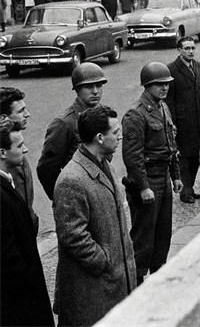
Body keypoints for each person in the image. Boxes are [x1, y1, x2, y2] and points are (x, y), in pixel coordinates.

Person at [54, 105, 137, 325]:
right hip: (93, 289)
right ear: (100, 137)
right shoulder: (72, 180)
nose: (120, 137)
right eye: (116, 132)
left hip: (114, 284)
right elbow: (73, 236)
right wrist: (104, 262)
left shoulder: (104, 165)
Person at [122, 63, 182, 284]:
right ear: (147, 85)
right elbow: (132, 156)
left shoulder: (162, 107)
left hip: (163, 176)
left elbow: (170, 144)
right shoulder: (135, 114)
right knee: (143, 237)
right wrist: (143, 187)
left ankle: (158, 278)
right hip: (147, 180)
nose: (164, 88)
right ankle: (136, 282)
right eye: (159, 84)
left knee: (162, 234)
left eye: (166, 84)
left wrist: (175, 175)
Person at [0, 126, 55, 326]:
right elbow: (6, 256)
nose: (25, 150)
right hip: (19, 302)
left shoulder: (7, 181)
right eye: (20, 145)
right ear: (2, 153)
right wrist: (30, 280)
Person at [37, 63, 107, 200]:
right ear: (77, 90)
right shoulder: (64, 123)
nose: (95, 91)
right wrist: (64, 197)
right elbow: (46, 169)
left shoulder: (104, 115)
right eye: (89, 86)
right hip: (78, 194)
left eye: (99, 85)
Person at [166, 37, 200, 203]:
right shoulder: (172, 70)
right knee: (184, 157)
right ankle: (186, 191)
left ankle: (190, 187)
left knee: (197, 156)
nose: (191, 51)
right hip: (183, 124)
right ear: (179, 50)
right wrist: (173, 124)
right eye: (187, 48)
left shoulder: (199, 67)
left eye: (193, 48)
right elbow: (169, 100)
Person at [0, 87, 37, 228]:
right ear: (4, 117)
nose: (27, 114)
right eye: (21, 111)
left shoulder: (17, 147)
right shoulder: (8, 156)